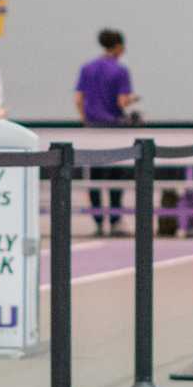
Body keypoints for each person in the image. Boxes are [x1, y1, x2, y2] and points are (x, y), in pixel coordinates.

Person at [75, 29, 139, 234]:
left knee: (94, 176)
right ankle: (115, 219)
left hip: (93, 128)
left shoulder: (87, 68)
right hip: (113, 128)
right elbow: (122, 101)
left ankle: (97, 221)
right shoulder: (120, 71)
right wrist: (132, 99)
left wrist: (86, 120)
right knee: (115, 176)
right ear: (119, 46)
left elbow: (79, 98)